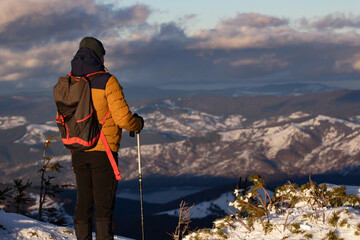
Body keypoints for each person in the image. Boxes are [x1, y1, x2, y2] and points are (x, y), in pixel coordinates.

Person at [70, 37, 144, 240]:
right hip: (103, 152)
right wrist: (138, 124)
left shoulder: (70, 81)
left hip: (77, 149)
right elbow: (124, 120)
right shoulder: (107, 81)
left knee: (83, 202)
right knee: (104, 206)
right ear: (98, 56)